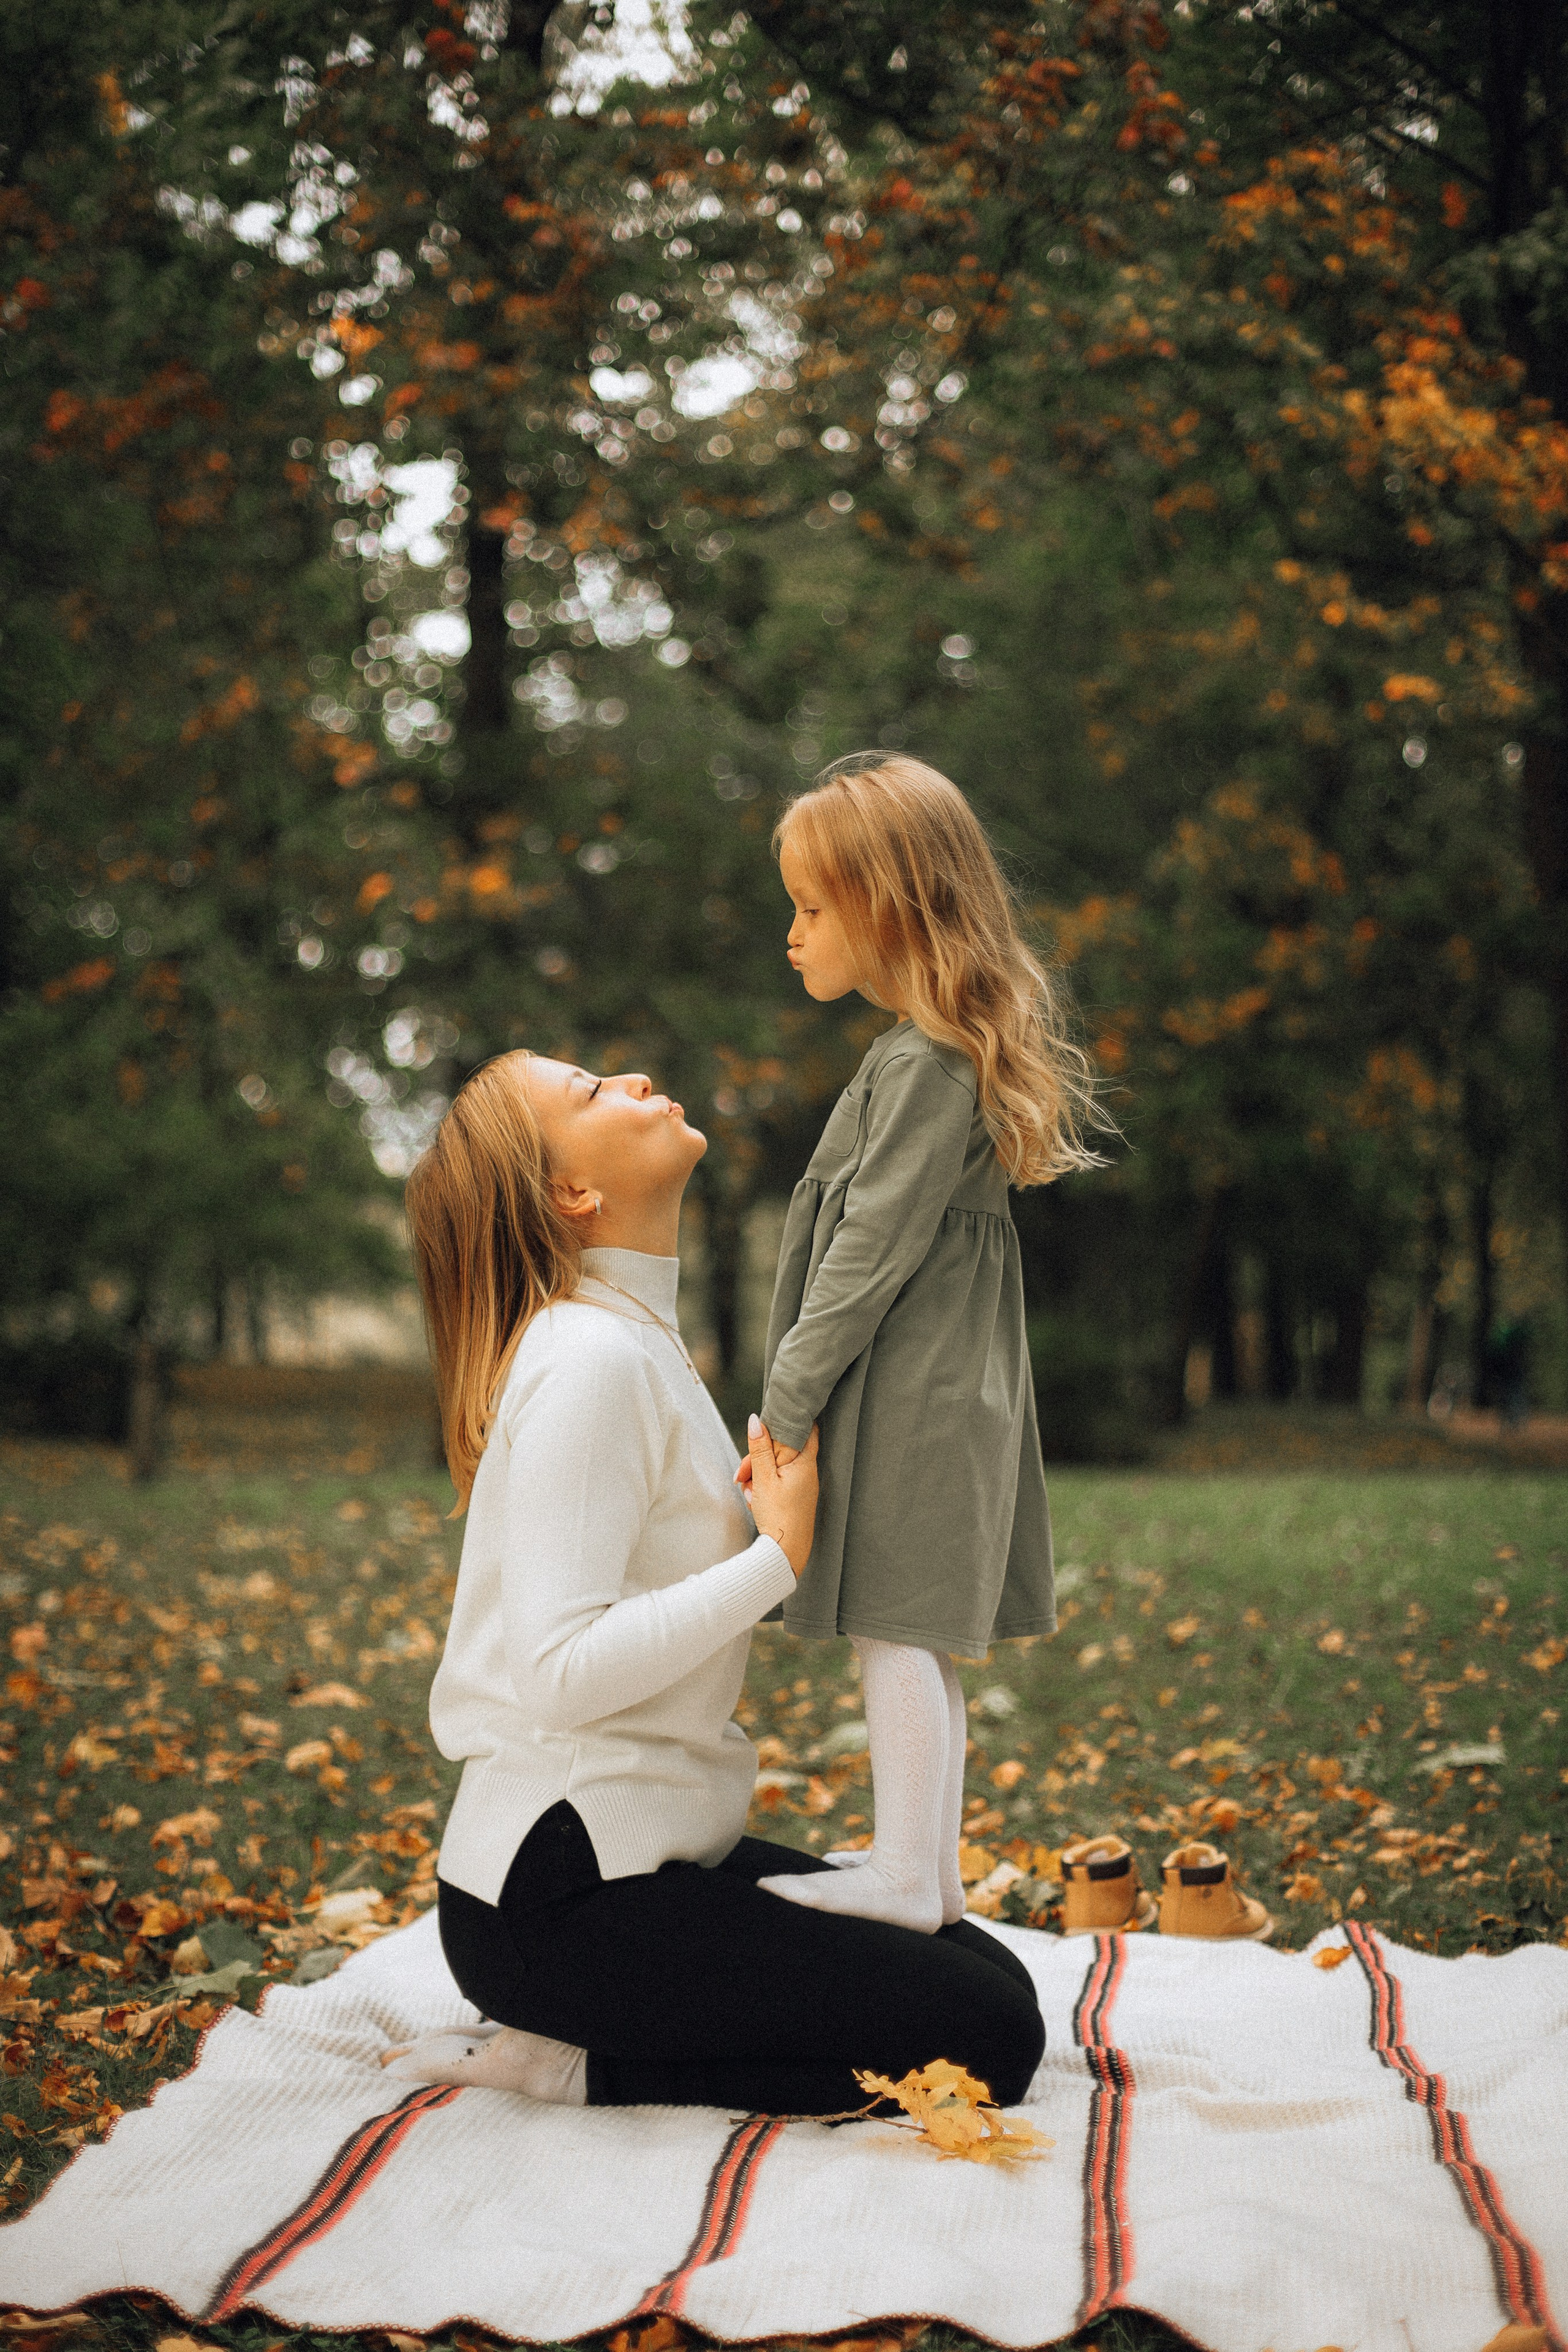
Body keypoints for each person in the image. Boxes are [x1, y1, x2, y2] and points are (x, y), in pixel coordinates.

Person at [382, 1048, 1045, 2115]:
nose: (635, 1078)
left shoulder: (637, 1342)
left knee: (988, 1977)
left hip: (643, 1859)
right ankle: (578, 2065)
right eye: (591, 1093)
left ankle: (599, 2038)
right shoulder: (587, 1361)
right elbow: (556, 1670)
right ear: (572, 1193)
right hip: (558, 1901)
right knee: (990, 2039)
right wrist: (770, 1560)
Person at [740, 754, 1104, 1934]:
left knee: (896, 1627)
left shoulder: (928, 1061)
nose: (791, 934)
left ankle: (904, 1877)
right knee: (914, 1637)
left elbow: (872, 1250)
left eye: (809, 907)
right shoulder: (922, 1051)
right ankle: (926, 1872)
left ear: (891, 905)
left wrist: (787, 1398)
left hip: (916, 1391)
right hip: (933, 1385)